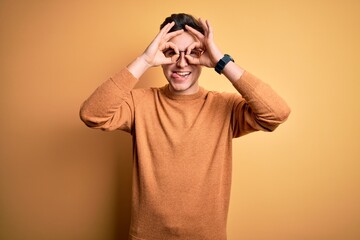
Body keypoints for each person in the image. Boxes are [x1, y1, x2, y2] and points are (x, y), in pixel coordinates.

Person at [80, 13, 290, 240]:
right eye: (171, 52)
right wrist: (144, 60)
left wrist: (222, 61)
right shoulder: (139, 103)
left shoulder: (224, 107)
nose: (181, 63)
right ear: (160, 54)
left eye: (192, 53)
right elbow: (92, 114)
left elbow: (276, 113)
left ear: (204, 55)